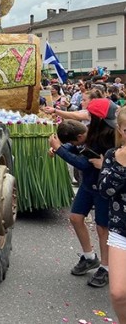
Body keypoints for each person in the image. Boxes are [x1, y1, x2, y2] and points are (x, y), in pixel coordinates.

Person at [49, 98, 117, 288]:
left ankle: (106, 267)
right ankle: (89, 257)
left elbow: (82, 163)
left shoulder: (113, 136)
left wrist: (60, 150)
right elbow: (80, 147)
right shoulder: (91, 130)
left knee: (103, 228)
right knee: (75, 217)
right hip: (88, 185)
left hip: (104, 188)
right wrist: (63, 148)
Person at [99, 107, 126, 323]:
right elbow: (105, 190)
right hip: (121, 228)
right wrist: (122, 164)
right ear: (120, 130)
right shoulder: (112, 156)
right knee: (118, 293)